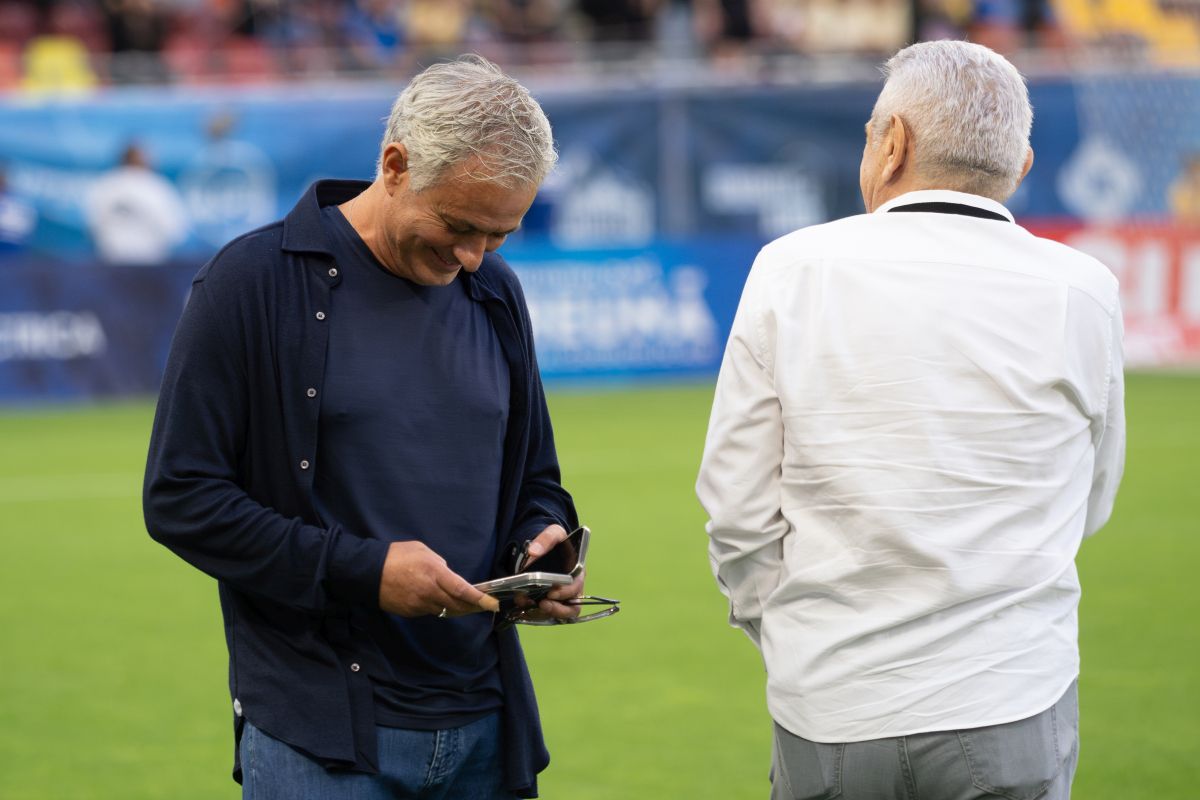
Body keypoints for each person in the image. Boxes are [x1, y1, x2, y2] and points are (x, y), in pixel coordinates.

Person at [144, 55, 582, 799]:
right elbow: (181, 498)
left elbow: (534, 476)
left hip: (485, 723)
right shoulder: (252, 285)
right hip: (320, 738)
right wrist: (364, 572)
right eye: (458, 225)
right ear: (395, 163)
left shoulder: (495, 294)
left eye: (499, 236)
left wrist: (542, 544)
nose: (472, 256)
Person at [696, 40, 1124, 800]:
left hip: (830, 703)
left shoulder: (793, 269)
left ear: (892, 145)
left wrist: (795, 633)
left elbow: (736, 508)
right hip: (1011, 695)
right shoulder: (1082, 287)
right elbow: (1092, 496)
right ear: (1020, 167)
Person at [84, 142, 188, 265]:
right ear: (147, 160)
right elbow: (176, 231)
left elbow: (92, 226)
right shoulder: (158, 187)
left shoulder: (104, 185)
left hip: (112, 264)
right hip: (150, 265)